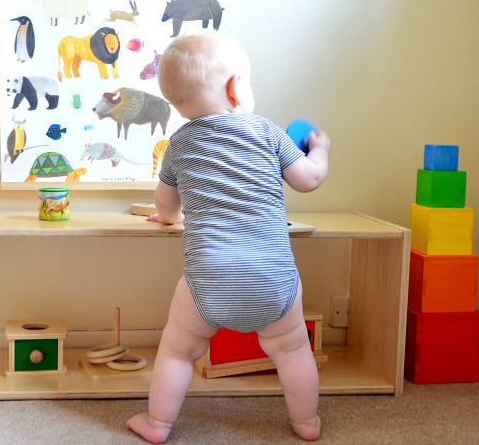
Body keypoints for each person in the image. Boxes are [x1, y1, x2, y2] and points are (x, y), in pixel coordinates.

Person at [126, 33, 331, 443]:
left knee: (177, 351)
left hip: (209, 281)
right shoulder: (269, 133)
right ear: (236, 88)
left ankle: (158, 424)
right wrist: (320, 149)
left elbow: (166, 205)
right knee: (293, 352)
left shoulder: (179, 145)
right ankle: (306, 423)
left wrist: (169, 217)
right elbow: (308, 180)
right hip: (273, 281)